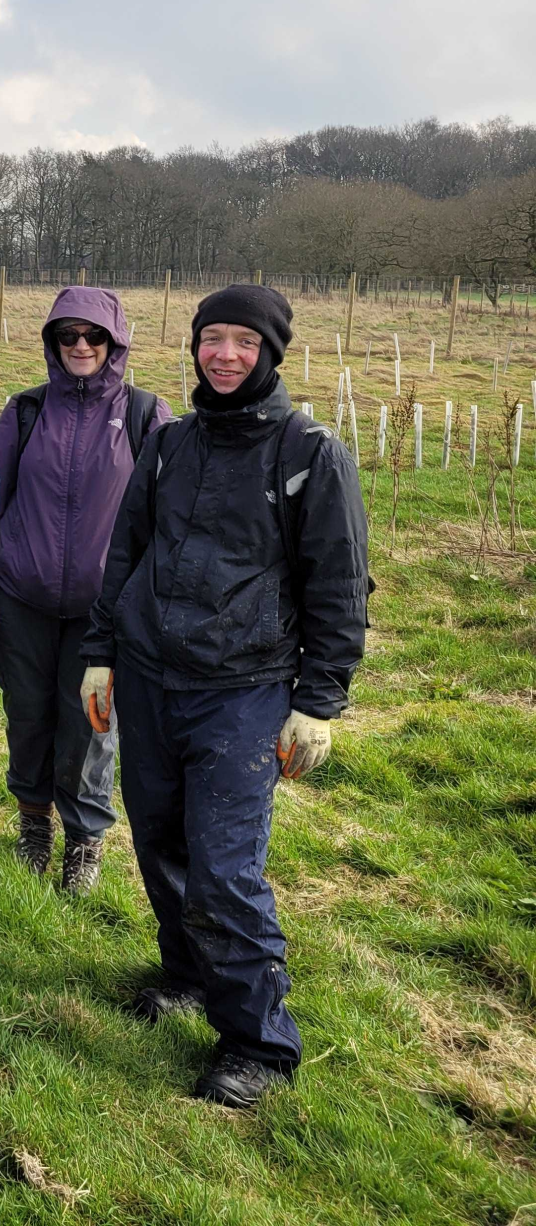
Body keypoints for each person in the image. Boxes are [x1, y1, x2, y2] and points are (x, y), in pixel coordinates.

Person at [82, 284, 368, 1108]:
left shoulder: (312, 454)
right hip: (149, 676)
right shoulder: (171, 444)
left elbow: (339, 590)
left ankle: (259, 1044)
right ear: (195, 347)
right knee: (158, 838)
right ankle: (188, 976)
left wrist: (319, 701)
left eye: (245, 341)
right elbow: (125, 551)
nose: (227, 355)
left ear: (271, 352)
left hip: (242, 691)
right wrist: (101, 653)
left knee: (224, 869)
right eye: (214, 339)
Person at [0, 288, 170, 894]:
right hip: (23, 597)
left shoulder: (147, 415)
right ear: (52, 343)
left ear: (116, 343)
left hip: (104, 611)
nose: (81, 346)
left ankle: (84, 839)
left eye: (94, 336)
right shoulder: (26, 411)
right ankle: (33, 823)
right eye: (68, 336)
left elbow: (165, 519)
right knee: (28, 716)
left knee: (90, 724)